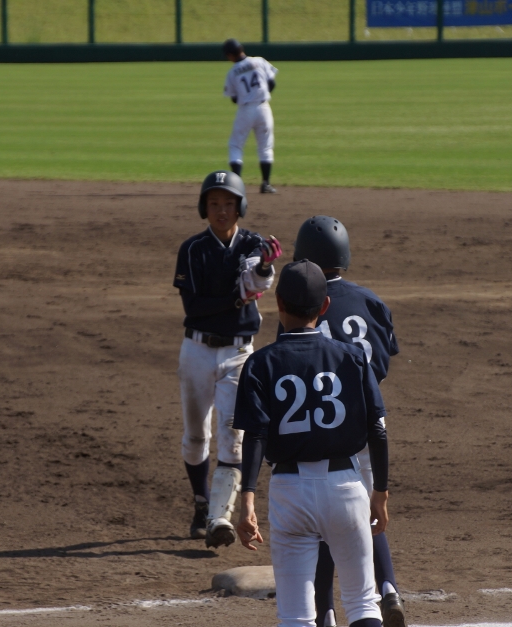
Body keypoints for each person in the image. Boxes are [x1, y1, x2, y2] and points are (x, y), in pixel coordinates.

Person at [234, 259, 390, 627]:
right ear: (325, 306)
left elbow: (255, 435)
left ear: (279, 304)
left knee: (296, 615)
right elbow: (377, 430)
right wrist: (380, 493)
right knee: (363, 602)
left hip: (290, 492)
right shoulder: (352, 357)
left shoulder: (260, 364)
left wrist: (247, 500)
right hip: (345, 488)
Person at [287, 216, 406, 627]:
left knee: (326, 520)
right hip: (370, 423)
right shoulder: (370, 301)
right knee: (368, 512)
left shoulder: (307, 304)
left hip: (327, 428)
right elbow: (385, 359)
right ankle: (388, 588)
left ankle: (325, 611)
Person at [173, 170, 282, 548]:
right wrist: (235, 300)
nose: (222, 210)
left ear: (240, 207)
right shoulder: (192, 249)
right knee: (195, 436)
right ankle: (201, 502)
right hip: (197, 351)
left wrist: (264, 268)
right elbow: (194, 308)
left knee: (233, 439)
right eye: (215, 203)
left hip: (238, 354)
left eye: (229, 204)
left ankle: (219, 517)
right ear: (204, 208)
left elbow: (255, 280)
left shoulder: (252, 244)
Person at [222, 38, 279, 194]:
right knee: (265, 146)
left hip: (246, 110)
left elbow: (234, 98)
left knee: (235, 145)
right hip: (264, 108)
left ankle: (235, 185)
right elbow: (272, 83)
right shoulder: (259, 61)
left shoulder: (232, 72)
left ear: (230, 55)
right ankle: (266, 184)